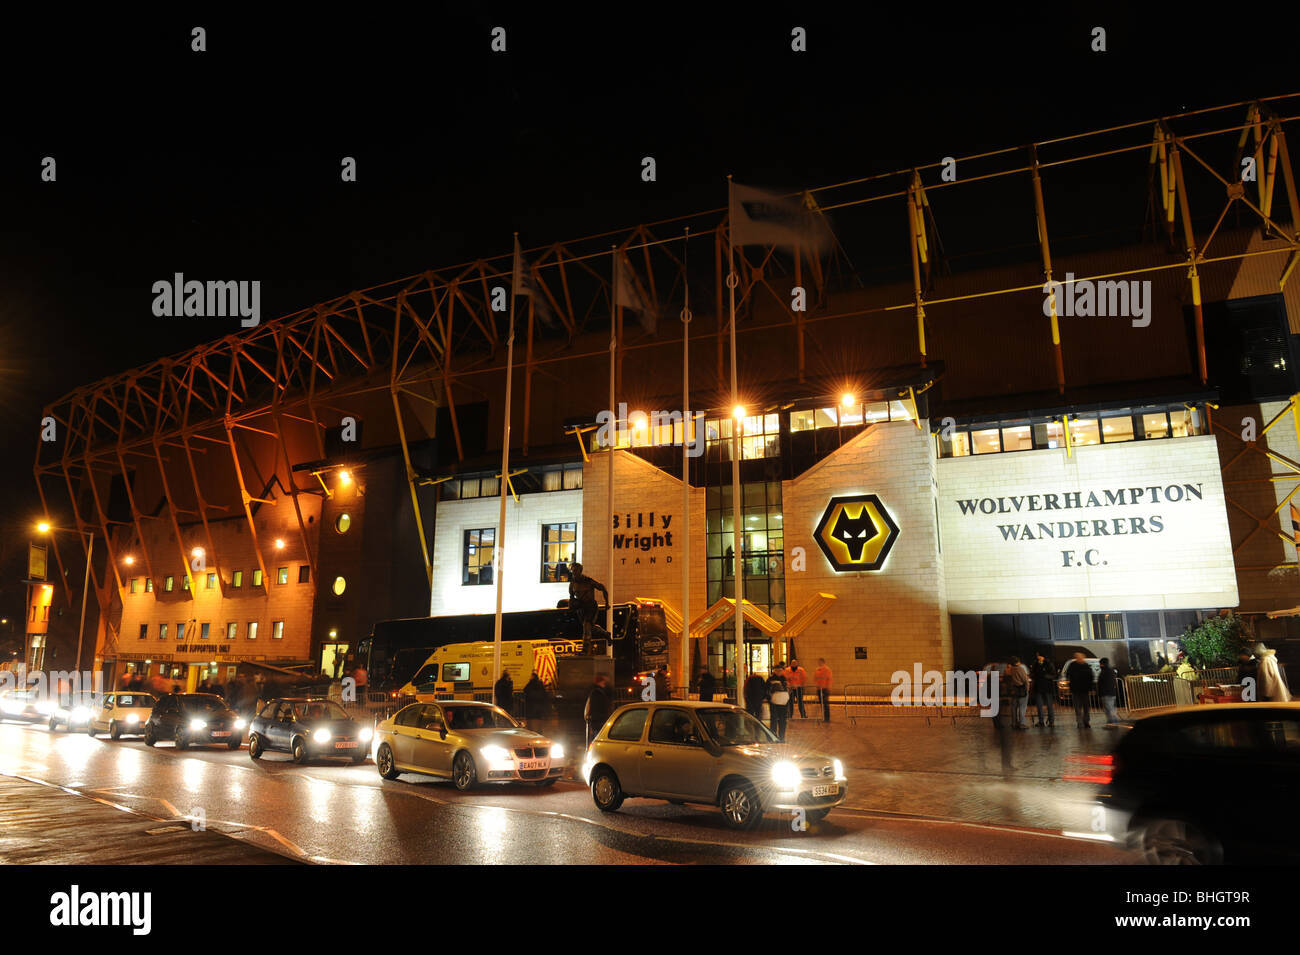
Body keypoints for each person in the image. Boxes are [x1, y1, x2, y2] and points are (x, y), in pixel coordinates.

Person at [567, 562, 610, 653]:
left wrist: (607, 603)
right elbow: (571, 596)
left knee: (587, 626)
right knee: (590, 627)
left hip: (591, 606)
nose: (574, 572)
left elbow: (603, 588)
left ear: (580, 571)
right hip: (581, 608)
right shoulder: (572, 584)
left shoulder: (588, 581)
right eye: (572, 571)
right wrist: (571, 605)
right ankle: (606, 634)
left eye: (575, 570)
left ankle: (585, 649)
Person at [1066, 652, 1094, 728]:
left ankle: (1082, 722)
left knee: (1081, 707)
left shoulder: (1073, 665)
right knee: (1083, 707)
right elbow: (1091, 677)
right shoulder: (1085, 666)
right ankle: (1084, 722)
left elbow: (1067, 675)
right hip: (1081, 689)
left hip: (1078, 689)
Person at [1029, 651, 1057, 727]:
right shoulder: (1035, 664)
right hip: (1038, 687)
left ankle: (1051, 721)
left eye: (1039, 656)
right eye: (1037, 656)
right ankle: (1041, 721)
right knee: (1039, 705)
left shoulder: (1048, 663)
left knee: (1049, 705)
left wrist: (1044, 676)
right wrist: (1033, 675)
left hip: (1047, 687)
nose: (1038, 657)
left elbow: (1053, 675)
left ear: (1043, 656)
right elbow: (1032, 674)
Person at [584, 674, 611, 744]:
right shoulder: (597, 693)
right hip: (598, 721)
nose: (604, 683)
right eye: (603, 681)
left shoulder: (596, 691)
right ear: (600, 682)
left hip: (597, 721)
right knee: (598, 739)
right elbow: (597, 708)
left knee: (597, 739)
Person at [1004, 655, 1029, 729]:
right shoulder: (1020, 669)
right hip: (1021, 689)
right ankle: (1022, 723)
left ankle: (1014, 722)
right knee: (1022, 707)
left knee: (1014, 707)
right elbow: (1025, 680)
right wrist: (1027, 689)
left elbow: (1006, 679)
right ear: (1017, 662)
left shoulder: (1008, 670)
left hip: (1013, 690)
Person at [767, 668, 790, 741]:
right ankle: (775, 735)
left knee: (782, 720)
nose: (779, 672)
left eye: (780, 670)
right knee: (775, 719)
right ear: (774, 671)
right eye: (778, 670)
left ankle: (781, 736)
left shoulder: (784, 679)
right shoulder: (771, 679)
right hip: (776, 702)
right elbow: (767, 690)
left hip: (782, 702)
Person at [1098, 657, 1120, 725]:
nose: (1100, 665)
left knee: (1110, 708)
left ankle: (1114, 721)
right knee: (1109, 708)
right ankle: (1111, 721)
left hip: (1107, 693)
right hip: (1108, 693)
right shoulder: (1107, 670)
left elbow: (1107, 683)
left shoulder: (1106, 671)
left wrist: (1103, 691)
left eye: (1100, 663)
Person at [814, 658, 833, 723]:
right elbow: (815, 679)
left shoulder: (827, 670)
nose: (819, 663)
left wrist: (828, 688)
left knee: (825, 704)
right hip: (819, 689)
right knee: (822, 704)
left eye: (820, 662)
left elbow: (829, 679)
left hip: (825, 689)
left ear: (823, 662)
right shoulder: (817, 670)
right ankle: (824, 717)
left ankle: (827, 718)